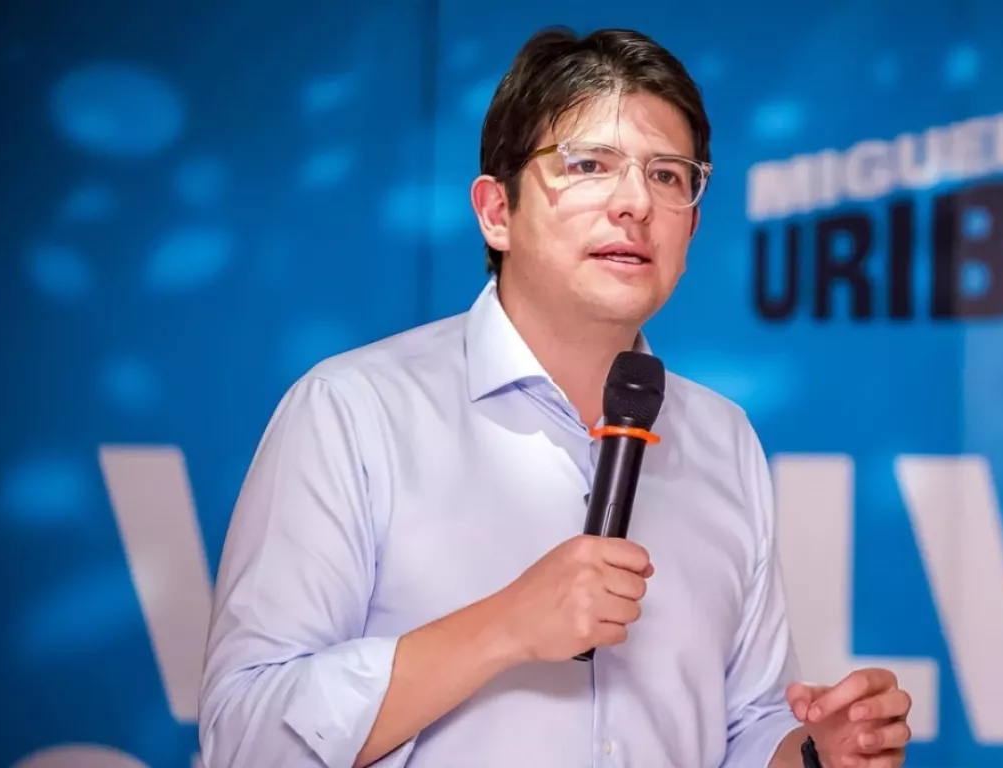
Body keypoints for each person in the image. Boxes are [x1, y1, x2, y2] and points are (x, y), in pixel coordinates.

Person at [198, 25, 912, 768]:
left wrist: (814, 752)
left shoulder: (723, 438)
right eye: (589, 164)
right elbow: (245, 737)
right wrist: (504, 626)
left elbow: (740, 728)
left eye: (668, 176)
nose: (635, 202)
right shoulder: (354, 412)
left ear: (693, 225)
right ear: (496, 212)